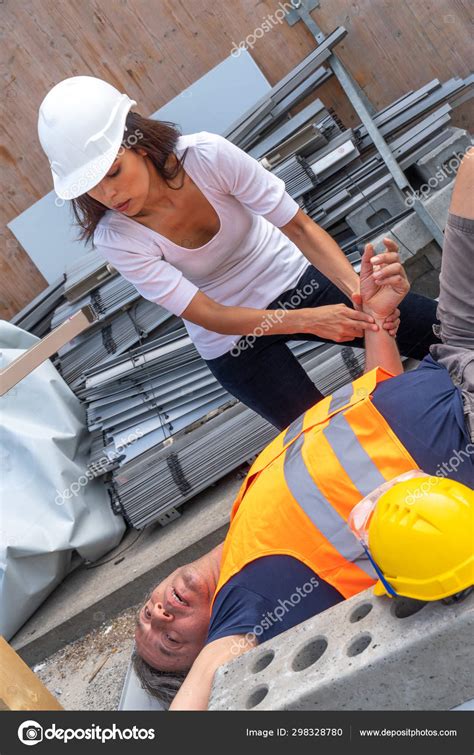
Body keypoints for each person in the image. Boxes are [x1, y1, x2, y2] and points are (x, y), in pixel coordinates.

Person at [131, 147, 474, 710]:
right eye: (170, 639)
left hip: (448, 352)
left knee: (466, 167)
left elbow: (371, 398)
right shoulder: (248, 604)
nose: (162, 613)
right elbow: (197, 702)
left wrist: (381, 316)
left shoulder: (248, 505)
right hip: (466, 423)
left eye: (148, 612)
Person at [38, 76, 440, 430]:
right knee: (321, 444)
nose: (108, 194)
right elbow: (208, 314)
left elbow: (298, 227)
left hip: (292, 279)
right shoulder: (116, 238)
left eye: (113, 172)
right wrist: (307, 321)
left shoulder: (209, 157)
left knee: (444, 331)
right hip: (231, 339)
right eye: (90, 187)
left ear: (139, 145)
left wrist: (359, 294)